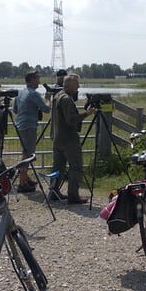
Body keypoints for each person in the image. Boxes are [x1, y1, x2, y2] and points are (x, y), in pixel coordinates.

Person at [50, 73, 94, 204]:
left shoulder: (58, 95)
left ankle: (53, 191)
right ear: (69, 85)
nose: (78, 87)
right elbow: (71, 120)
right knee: (76, 167)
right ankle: (73, 196)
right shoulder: (67, 99)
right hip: (69, 139)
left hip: (58, 137)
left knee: (58, 167)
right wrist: (87, 114)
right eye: (77, 84)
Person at [13, 70, 52, 192]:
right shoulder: (33, 94)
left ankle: (25, 179)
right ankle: (22, 184)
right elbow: (46, 109)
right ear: (31, 80)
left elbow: (15, 109)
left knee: (26, 152)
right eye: (37, 78)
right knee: (28, 154)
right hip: (29, 127)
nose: (39, 81)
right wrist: (48, 99)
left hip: (21, 126)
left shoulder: (21, 92)